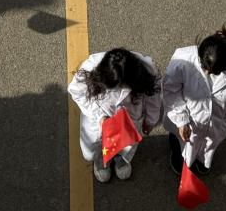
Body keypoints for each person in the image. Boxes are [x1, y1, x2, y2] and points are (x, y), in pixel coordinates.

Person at [162, 26, 226, 176]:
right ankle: (179, 159)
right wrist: (181, 121)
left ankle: (202, 161)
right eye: (204, 67)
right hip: (188, 119)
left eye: (213, 72)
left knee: (209, 145)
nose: (206, 72)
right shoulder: (182, 60)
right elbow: (170, 91)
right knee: (180, 144)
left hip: (217, 123)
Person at [67, 48, 161, 182]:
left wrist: (151, 120)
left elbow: (153, 97)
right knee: (96, 145)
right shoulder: (90, 69)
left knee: (126, 143)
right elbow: (77, 93)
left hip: (130, 117)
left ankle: (120, 159)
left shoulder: (147, 71)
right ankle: (102, 160)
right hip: (98, 118)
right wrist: (100, 116)